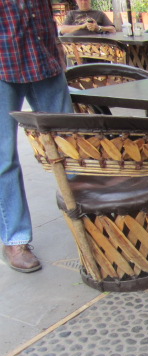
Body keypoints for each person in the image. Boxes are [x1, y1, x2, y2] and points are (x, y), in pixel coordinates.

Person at [1, 1, 73, 272]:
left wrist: (56, 47)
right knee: (3, 158)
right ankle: (14, 239)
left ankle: (92, 224)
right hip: (2, 63)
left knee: (71, 148)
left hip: (43, 59)